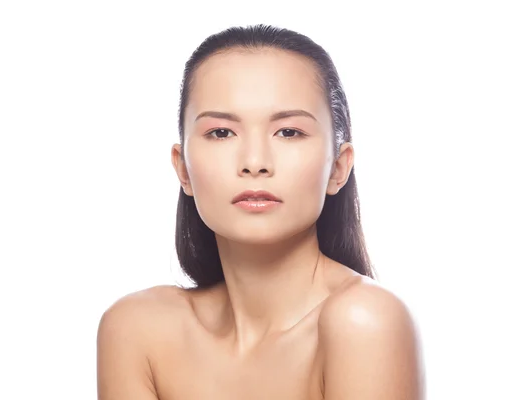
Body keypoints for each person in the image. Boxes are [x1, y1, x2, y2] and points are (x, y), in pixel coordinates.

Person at [97, 24, 425, 399]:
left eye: (288, 132)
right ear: (183, 168)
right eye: (221, 133)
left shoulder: (365, 321)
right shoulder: (137, 330)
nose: (255, 162)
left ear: (339, 167)